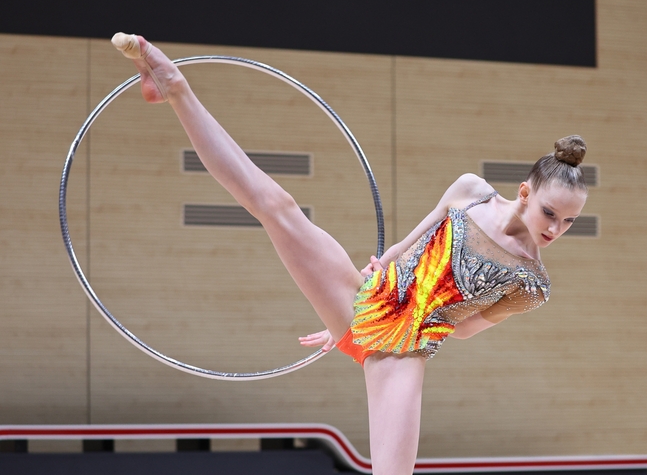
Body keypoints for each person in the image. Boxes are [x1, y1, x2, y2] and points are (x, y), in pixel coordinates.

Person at [111, 32, 589, 475]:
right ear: (525, 192)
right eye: (551, 213)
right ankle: (176, 87)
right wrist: (358, 309)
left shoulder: (532, 283)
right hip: (365, 299)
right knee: (276, 206)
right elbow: (406, 247)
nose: (556, 230)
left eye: (569, 222)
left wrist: (385, 320)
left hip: (402, 356)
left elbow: (462, 330)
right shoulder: (472, 192)